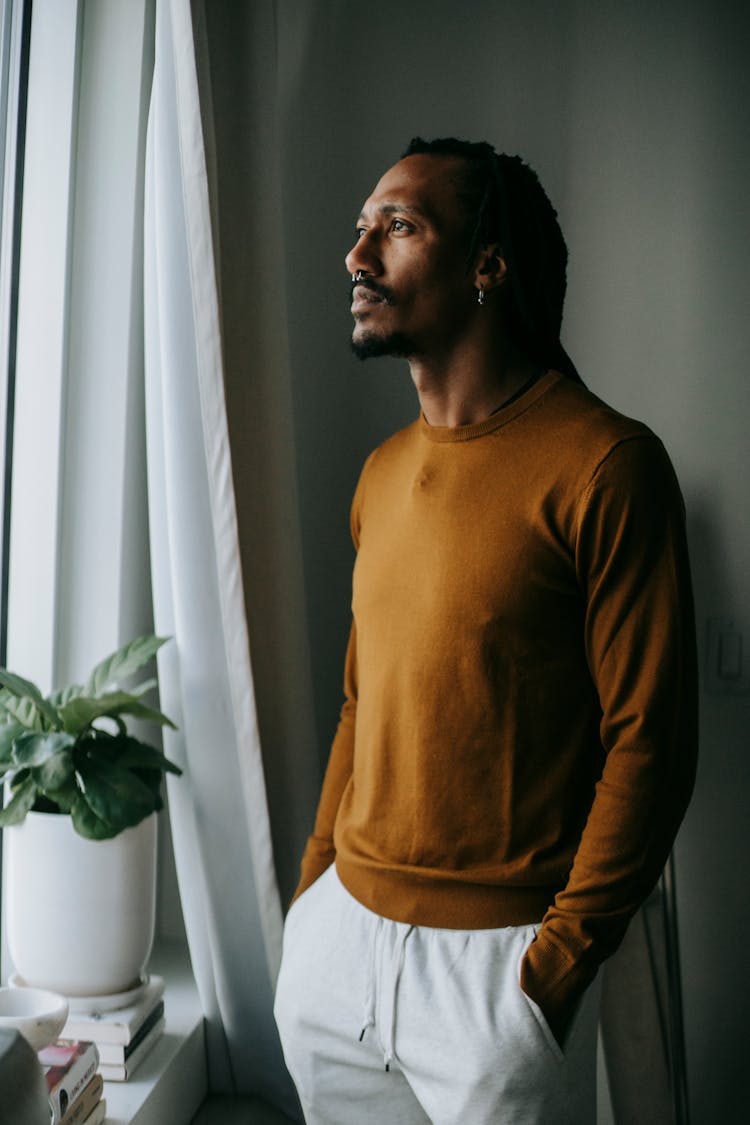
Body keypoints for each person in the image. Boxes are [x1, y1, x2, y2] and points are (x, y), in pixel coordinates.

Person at [274, 137, 698, 1125]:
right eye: (359, 229)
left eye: (399, 226)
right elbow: (361, 698)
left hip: (496, 976)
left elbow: (652, 746)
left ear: (487, 266)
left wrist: (550, 974)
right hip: (338, 955)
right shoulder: (381, 473)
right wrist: (313, 894)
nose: (357, 255)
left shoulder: (608, 465)